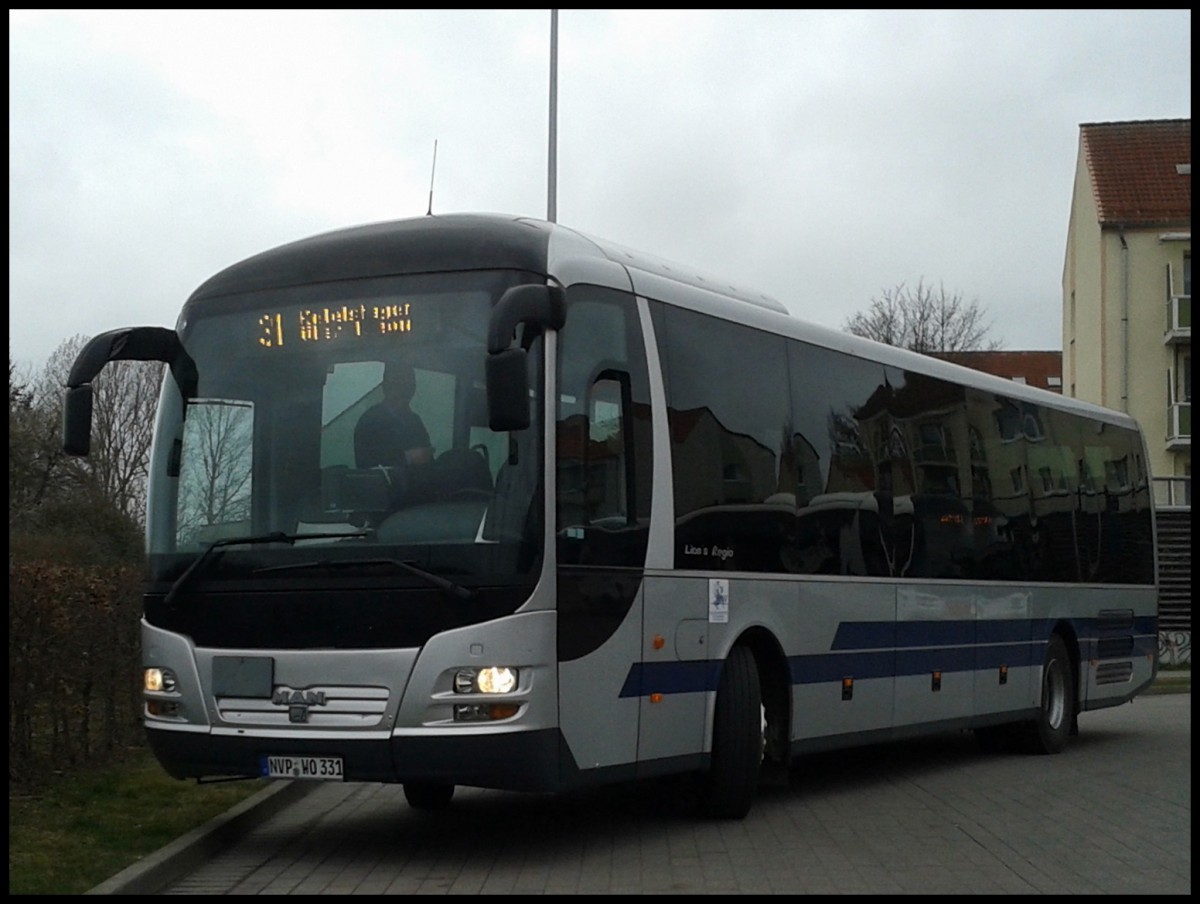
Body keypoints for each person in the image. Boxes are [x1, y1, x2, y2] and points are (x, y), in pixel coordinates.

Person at [354, 362, 433, 470]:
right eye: (398, 385)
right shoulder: (370, 421)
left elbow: (427, 460)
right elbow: (368, 465)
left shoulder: (415, 421)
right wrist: (408, 458)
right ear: (385, 387)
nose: (404, 391)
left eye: (409, 386)